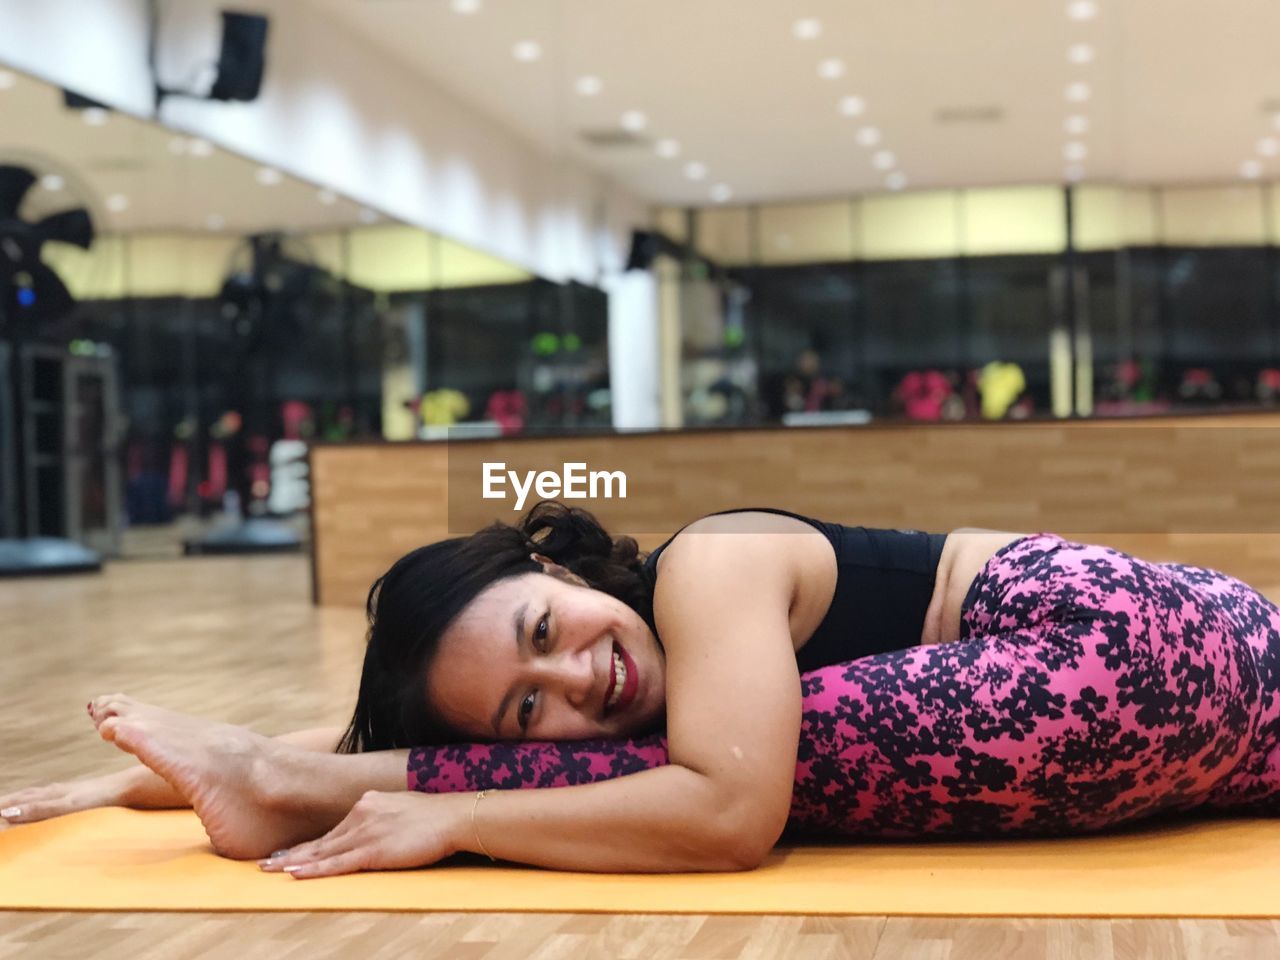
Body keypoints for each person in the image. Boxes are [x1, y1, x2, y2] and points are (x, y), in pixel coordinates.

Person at [2, 501, 1277, 879]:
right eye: (523, 707)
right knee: (668, 762)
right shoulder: (649, 679)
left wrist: (462, 814)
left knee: (708, 774)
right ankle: (276, 781)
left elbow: (730, 821)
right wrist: (132, 783)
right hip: (1240, 728)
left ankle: (290, 793)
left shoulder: (709, 563)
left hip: (1107, 642)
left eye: (548, 627)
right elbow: (378, 727)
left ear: (556, 564)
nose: (578, 676)